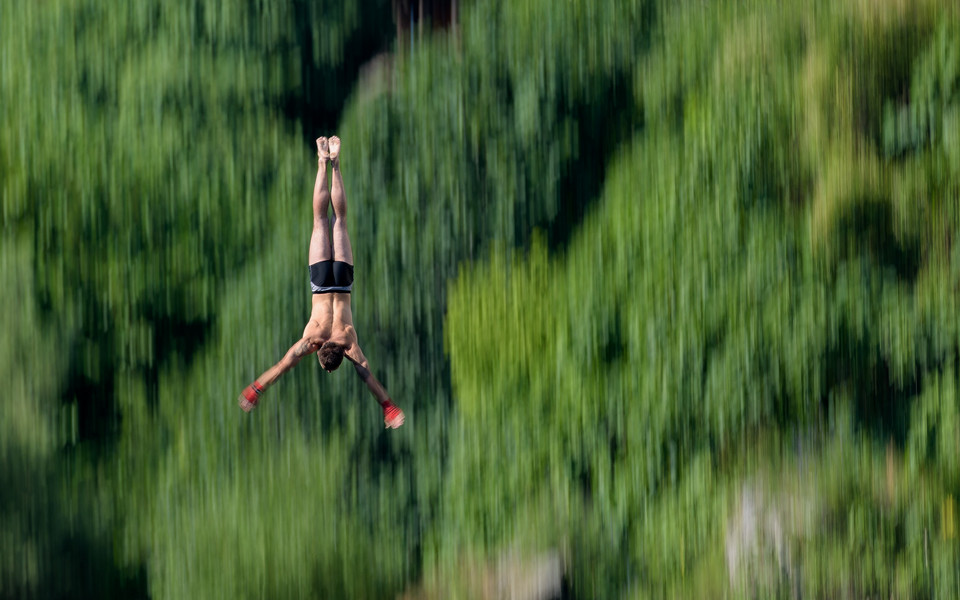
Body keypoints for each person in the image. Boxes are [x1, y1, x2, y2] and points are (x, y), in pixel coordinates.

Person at [238, 136, 405, 429]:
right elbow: (279, 368)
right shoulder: (309, 342)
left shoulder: (349, 342)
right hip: (319, 281)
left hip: (342, 282)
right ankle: (321, 160)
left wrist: (389, 407)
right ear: (322, 355)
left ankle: (335, 163)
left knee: (339, 219)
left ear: (341, 356)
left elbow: (368, 377)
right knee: (319, 220)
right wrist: (254, 391)